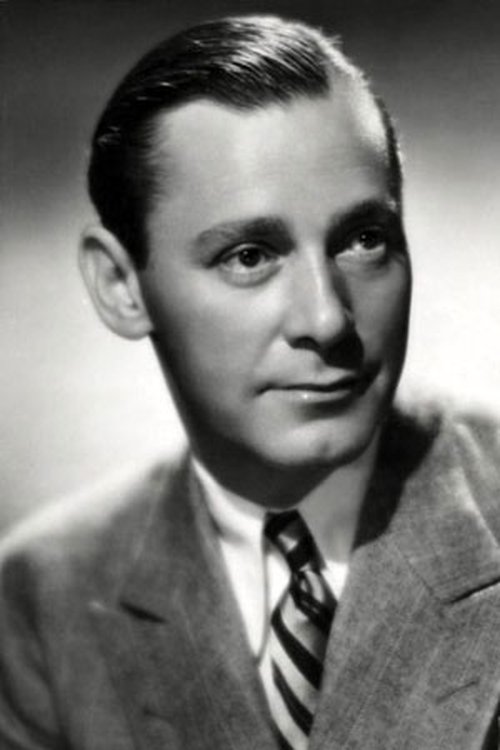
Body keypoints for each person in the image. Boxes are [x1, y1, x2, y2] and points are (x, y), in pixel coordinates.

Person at [1, 14, 500, 750]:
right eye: (250, 256)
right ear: (121, 286)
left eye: (365, 240)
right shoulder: (42, 601)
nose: (327, 319)